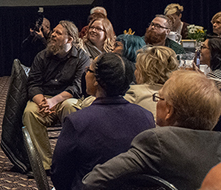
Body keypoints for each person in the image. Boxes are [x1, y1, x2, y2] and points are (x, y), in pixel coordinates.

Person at [83, 71, 221, 190]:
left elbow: (93, 181)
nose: (156, 102)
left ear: (168, 110)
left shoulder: (158, 140)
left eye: (159, 98)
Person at [51, 53, 154, 190]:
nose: (86, 73)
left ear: (96, 80)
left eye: (89, 70)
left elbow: (59, 174)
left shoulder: (77, 121)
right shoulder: (146, 117)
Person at [22, 20, 90, 171]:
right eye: (53, 31)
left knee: (71, 107)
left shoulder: (81, 58)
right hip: (44, 98)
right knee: (30, 112)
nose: (52, 34)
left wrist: (54, 101)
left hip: (66, 98)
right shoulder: (42, 56)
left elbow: (78, 87)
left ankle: (72, 161)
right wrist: (42, 102)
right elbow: (33, 84)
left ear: (70, 39)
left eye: (58, 33)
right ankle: (44, 165)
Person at [124, 46, 178, 118]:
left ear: (145, 72)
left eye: (137, 68)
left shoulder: (133, 94)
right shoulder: (179, 95)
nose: (135, 72)